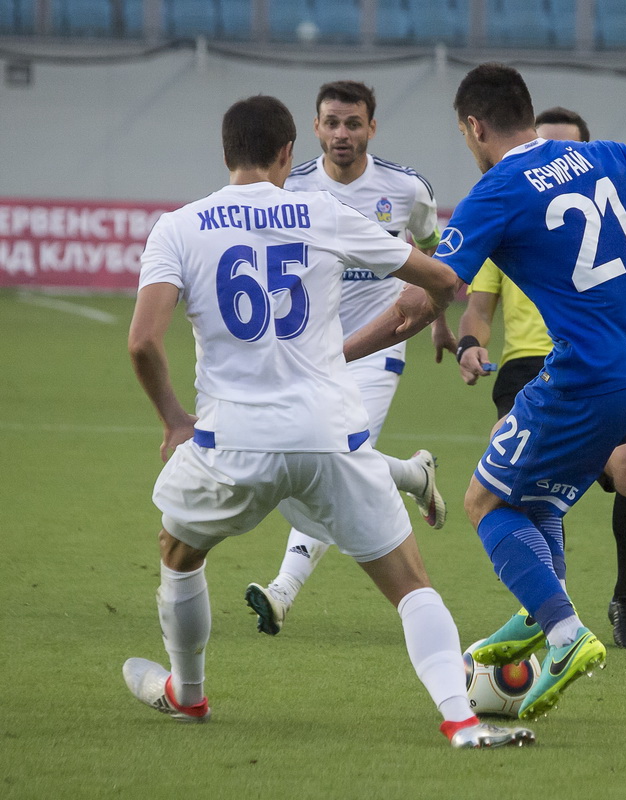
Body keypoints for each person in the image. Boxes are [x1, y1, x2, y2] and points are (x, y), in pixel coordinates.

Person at [122, 94, 533, 749]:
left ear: (225, 152)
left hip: (232, 441)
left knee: (178, 554)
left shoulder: (179, 227)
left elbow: (143, 342)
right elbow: (440, 277)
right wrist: (431, 301)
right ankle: (461, 719)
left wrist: (174, 419)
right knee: (409, 583)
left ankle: (189, 695)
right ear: (290, 153)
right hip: (328, 434)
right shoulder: (322, 211)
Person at [344, 63, 626, 721]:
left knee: (484, 500)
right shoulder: (604, 154)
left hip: (589, 383)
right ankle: (538, 616)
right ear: (527, 114)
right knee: (538, 499)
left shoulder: (496, 191)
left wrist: (329, 358)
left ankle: (562, 633)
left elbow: (418, 306)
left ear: (475, 128)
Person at [456, 105, 626, 649]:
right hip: (527, 365)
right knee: (511, 473)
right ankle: (550, 610)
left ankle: (621, 602)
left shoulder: (594, 195)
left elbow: (625, 302)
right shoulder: (509, 210)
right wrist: (470, 342)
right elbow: (476, 308)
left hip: (603, 365)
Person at [245, 80, 457, 637]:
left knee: (328, 456)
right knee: (322, 457)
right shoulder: (291, 189)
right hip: (307, 354)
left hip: (376, 352)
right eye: (332, 123)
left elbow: (434, 257)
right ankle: (414, 474)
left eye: (353, 123)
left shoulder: (408, 190)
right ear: (314, 128)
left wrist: (440, 322)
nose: (342, 134)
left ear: (372, 127)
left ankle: (283, 590)